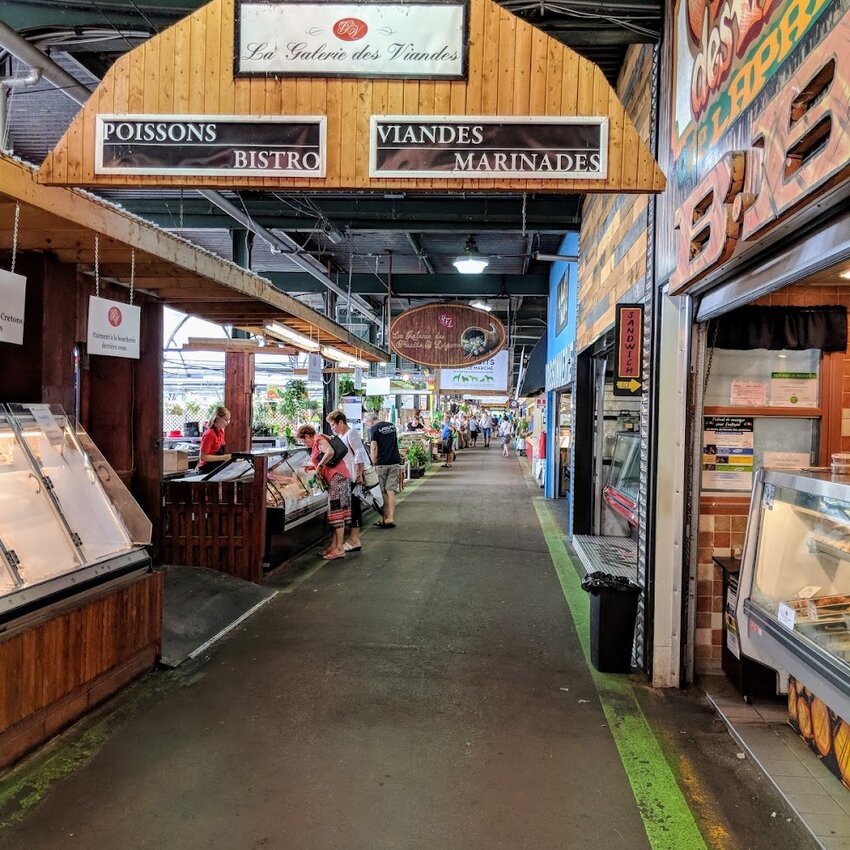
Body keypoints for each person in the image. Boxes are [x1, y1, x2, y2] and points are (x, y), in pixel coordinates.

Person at [297, 424, 352, 560]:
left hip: (337, 478)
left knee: (337, 513)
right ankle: (334, 546)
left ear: (307, 436)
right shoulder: (320, 439)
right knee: (337, 512)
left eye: (303, 441)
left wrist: (319, 467)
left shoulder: (318, 439)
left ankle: (339, 549)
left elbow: (330, 452)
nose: (304, 444)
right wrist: (313, 467)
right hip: (339, 478)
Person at [327, 410, 367, 553]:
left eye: (333, 425)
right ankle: (351, 539)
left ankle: (355, 539)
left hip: (353, 476)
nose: (332, 428)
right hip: (345, 477)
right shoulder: (340, 436)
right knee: (348, 508)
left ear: (341, 422)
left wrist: (359, 474)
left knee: (355, 507)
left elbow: (359, 454)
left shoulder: (351, 433)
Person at [364, 411, 402, 529]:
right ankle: (389, 518)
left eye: (366, 424)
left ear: (370, 421)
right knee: (390, 491)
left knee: (382, 491)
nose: (366, 426)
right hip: (394, 461)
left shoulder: (374, 429)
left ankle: (386, 517)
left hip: (382, 463)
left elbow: (374, 447)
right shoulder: (391, 426)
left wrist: (372, 462)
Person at [197, 406, 232, 472]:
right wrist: (224, 457)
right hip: (206, 470)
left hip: (215, 469)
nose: (227, 423)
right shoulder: (209, 434)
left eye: (229, 420)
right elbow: (203, 457)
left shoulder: (221, 432)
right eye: (226, 420)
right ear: (217, 417)